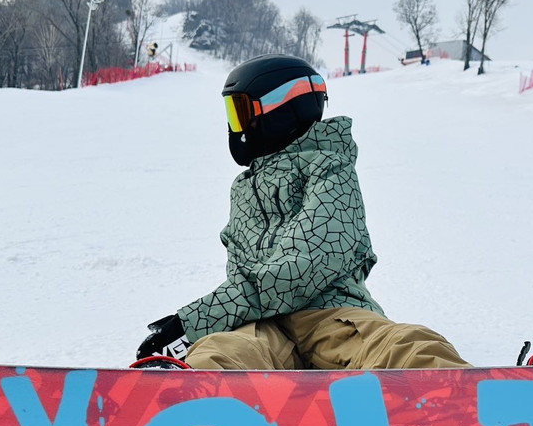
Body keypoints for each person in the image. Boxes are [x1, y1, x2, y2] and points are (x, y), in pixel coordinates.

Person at [135, 53, 471, 371]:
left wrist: (195, 320)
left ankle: (475, 400)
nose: (236, 126)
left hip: (331, 315)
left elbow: (306, 264)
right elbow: (241, 279)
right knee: (221, 354)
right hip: (262, 325)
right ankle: (173, 399)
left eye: (241, 112)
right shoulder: (243, 190)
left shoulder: (331, 168)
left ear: (280, 110)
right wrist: (199, 334)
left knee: (403, 346)